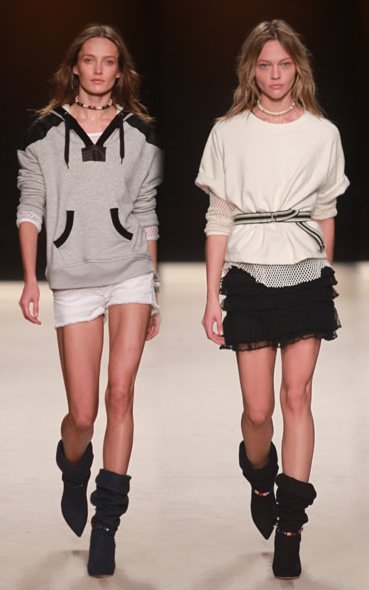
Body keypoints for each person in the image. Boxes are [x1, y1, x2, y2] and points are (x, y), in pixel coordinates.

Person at [196, 19, 349, 580]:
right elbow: (218, 217)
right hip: (248, 274)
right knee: (258, 413)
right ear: (251, 71)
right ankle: (261, 476)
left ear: (297, 69)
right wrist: (211, 296)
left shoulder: (322, 133)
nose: (276, 74)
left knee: (297, 396)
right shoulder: (227, 133)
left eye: (284, 64)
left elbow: (327, 211)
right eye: (265, 65)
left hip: (305, 271)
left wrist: (324, 270)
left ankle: (291, 526)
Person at [16, 24, 162, 577]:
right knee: (83, 414)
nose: (99, 69)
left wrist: (153, 289)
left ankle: (107, 523)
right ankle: (73, 467)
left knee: (120, 394)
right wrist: (30, 279)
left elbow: (146, 212)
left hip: (129, 275)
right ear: (74, 67)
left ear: (120, 71)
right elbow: (31, 206)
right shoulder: (43, 133)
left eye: (108, 61)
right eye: (89, 60)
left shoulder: (141, 135)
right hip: (73, 277)